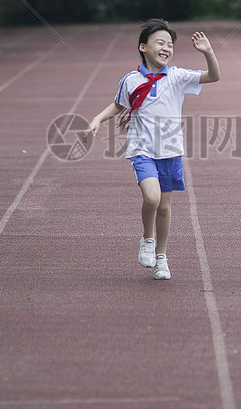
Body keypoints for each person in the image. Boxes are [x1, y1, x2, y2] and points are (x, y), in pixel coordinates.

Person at [83, 19, 220, 280]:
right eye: (160, 42)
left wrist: (208, 52)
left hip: (170, 150)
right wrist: (97, 119)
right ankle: (147, 238)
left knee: (165, 208)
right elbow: (119, 105)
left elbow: (214, 76)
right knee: (152, 198)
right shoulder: (131, 80)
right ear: (143, 47)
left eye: (170, 44)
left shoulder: (177, 76)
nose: (166, 47)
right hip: (142, 149)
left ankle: (161, 257)